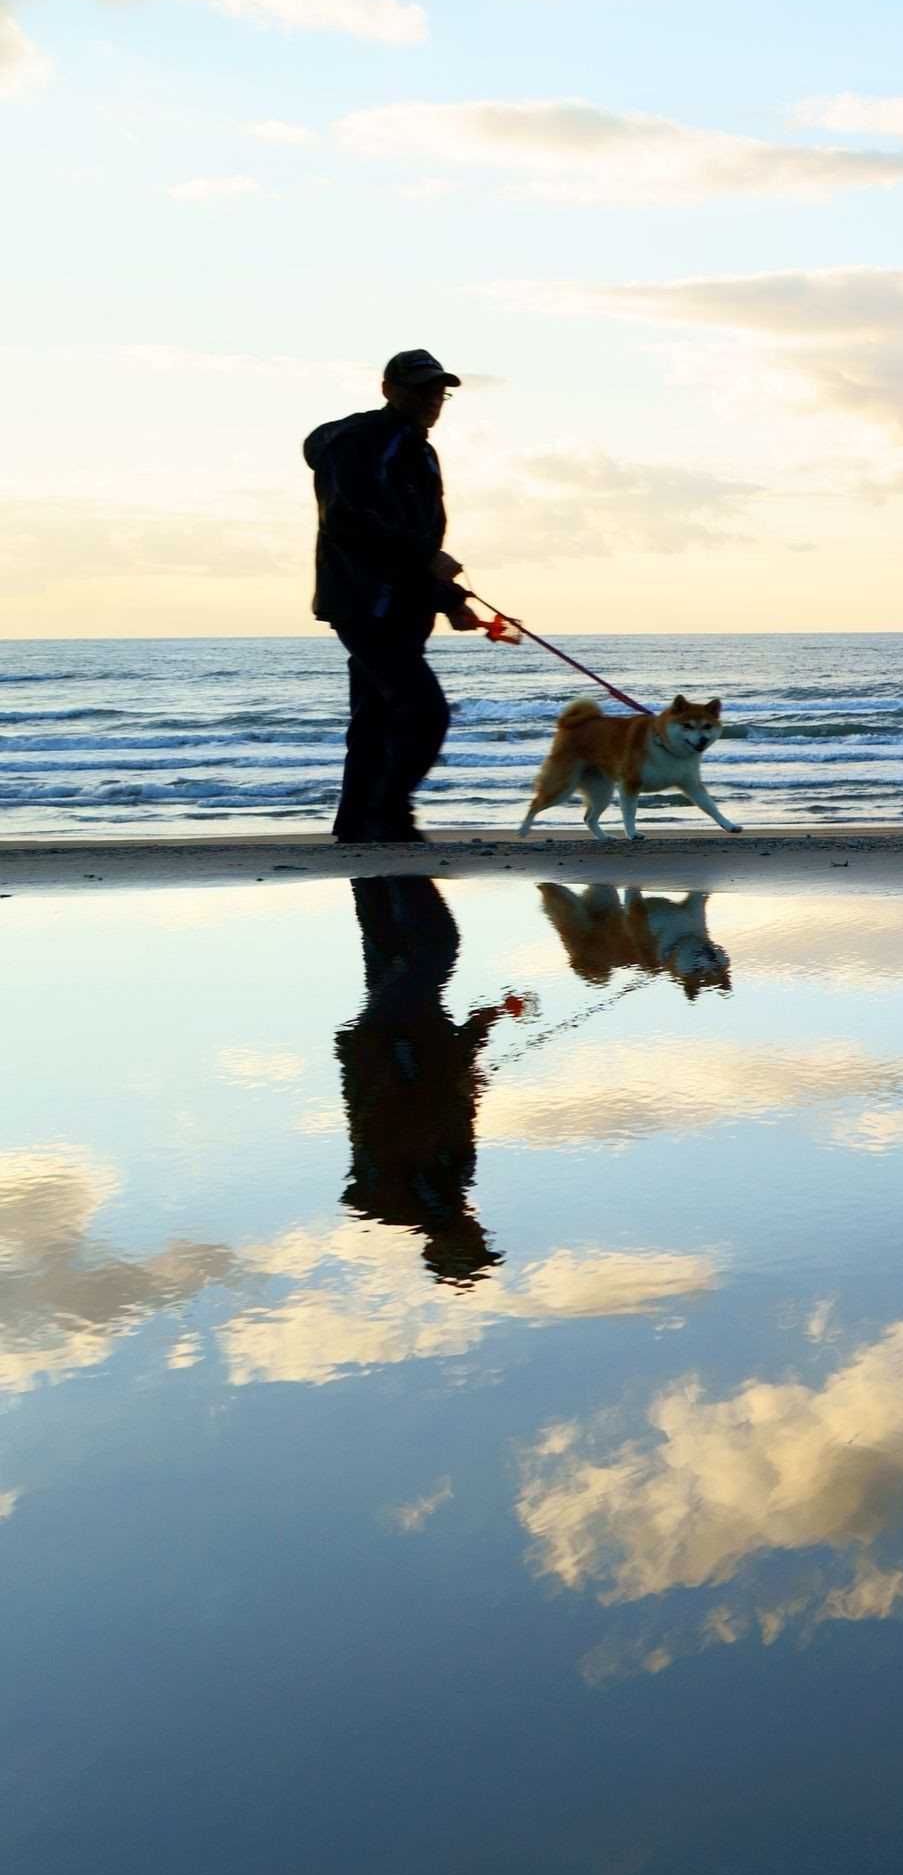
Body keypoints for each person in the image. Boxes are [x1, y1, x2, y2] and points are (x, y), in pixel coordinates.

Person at [306, 349, 480, 844]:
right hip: (362, 604)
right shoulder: (357, 442)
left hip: (405, 608)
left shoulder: (422, 453)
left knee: (374, 721)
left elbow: (419, 542)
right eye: (420, 389)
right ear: (389, 390)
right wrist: (426, 557)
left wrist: (450, 600)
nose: (432, 399)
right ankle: (389, 814)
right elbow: (345, 521)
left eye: (438, 392)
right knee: (425, 712)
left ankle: (354, 831)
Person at [334, 873, 504, 1284]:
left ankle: (398, 857)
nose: (479, 1235)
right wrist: (479, 1029)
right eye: (480, 1245)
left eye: (470, 1249)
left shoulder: (410, 1196)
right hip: (410, 1035)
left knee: (436, 946)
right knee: (387, 938)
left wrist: (458, 1080)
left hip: (392, 1040)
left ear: (434, 1249)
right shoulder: (456, 1178)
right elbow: (456, 1093)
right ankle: (367, 849)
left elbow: (411, 1108)